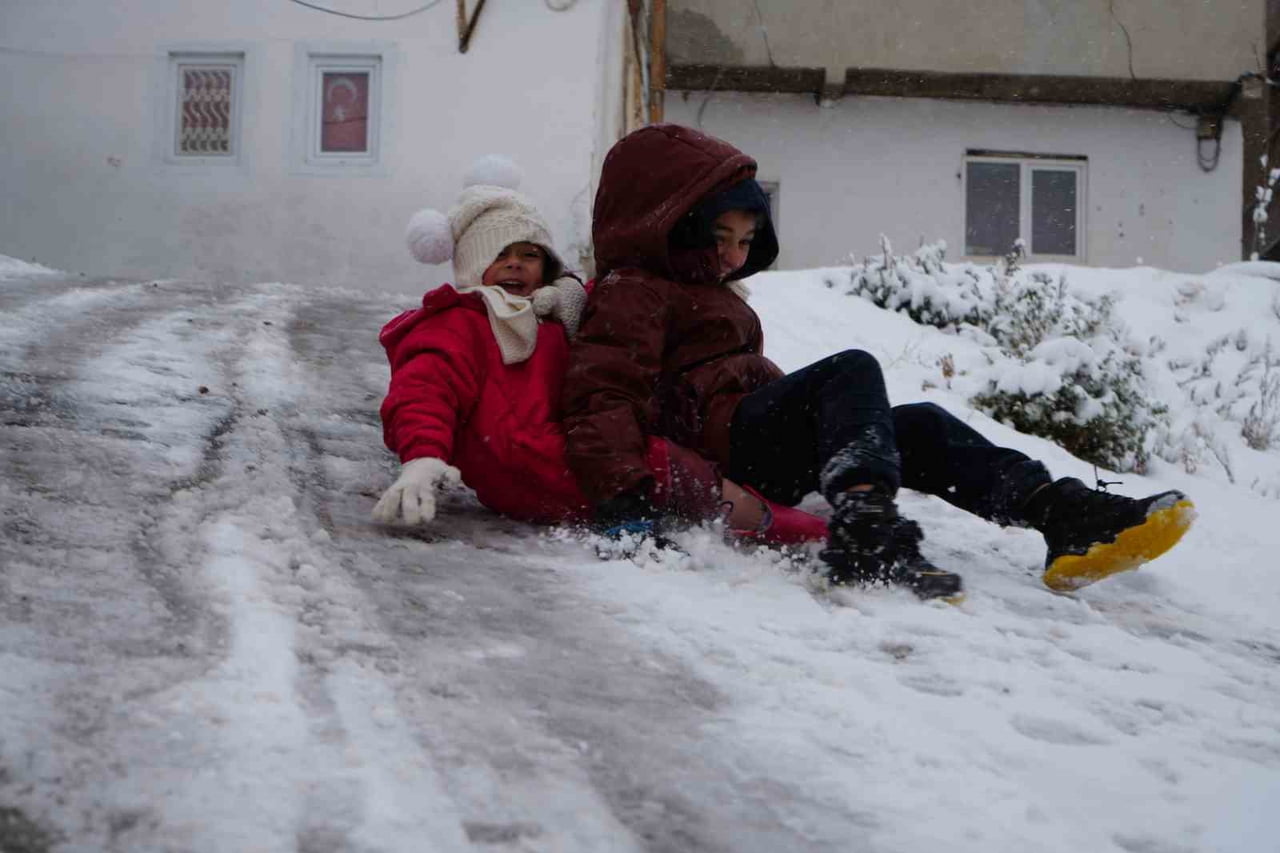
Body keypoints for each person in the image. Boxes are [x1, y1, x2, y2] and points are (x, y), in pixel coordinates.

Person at [561, 124, 1196, 599]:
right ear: (665, 222)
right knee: (851, 368)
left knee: (915, 423)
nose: (734, 255)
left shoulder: (707, 294)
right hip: (722, 443)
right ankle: (865, 520)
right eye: (719, 237)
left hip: (752, 438)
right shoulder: (635, 290)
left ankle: (1062, 514)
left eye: (747, 241)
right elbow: (602, 394)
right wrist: (624, 499)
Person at [372, 157, 827, 545]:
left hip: (583, 459)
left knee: (689, 465)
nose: (516, 264)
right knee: (683, 476)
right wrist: (421, 458)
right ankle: (806, 534)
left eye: (529, 254)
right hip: (530, 465)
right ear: (473, 264)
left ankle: (809, 514)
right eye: (501, 254)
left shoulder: (559, 310)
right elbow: (423, 391)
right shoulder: (457, 322)